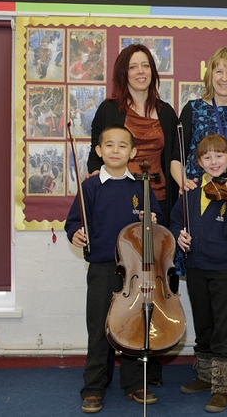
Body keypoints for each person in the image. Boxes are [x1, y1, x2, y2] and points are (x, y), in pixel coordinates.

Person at [87, 43, 180, 386]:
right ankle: (99, 379)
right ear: (123, 74)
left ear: (154, 72)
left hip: (157, 212)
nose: (140, 72)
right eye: (133, 67)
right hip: (120, 209)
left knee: (152, 295)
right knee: (115, 293)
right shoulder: (110, 109)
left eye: (146, 66)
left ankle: (144, 373)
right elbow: (96, 162)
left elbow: (172, 158)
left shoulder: (166, 112)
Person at [65, 125, 162, 414]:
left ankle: (133, 383)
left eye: (122, 146)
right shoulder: (90, 187)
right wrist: (76, 233)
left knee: (132, 327)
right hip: (102, 268)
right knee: (98, 328)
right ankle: (94, 387)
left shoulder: (141, 186)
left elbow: (156, 228)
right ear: (99, 151)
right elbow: (73, 222)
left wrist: (151, 220)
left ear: (132, 152)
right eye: (109, 145)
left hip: (135, 271)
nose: (115, 150)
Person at [171, 46, 227, 375]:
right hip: (201, 199)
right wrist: (184, 184)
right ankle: (207, 364)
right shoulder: (192, 109)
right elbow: (177, 156)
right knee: (203, 287)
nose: (224, 77)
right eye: (218, 70)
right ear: (209, 75)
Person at [170, 134, 227, 413]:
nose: (214, 161)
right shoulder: (191, 190)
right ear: (198, 162)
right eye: (207, 157)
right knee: (204, 321)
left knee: (225, 325)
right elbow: (175, 221)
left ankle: (222, 386)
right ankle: (205, 375)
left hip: (223, 268)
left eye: (219, 155)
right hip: (195, 266)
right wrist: (177, 236)